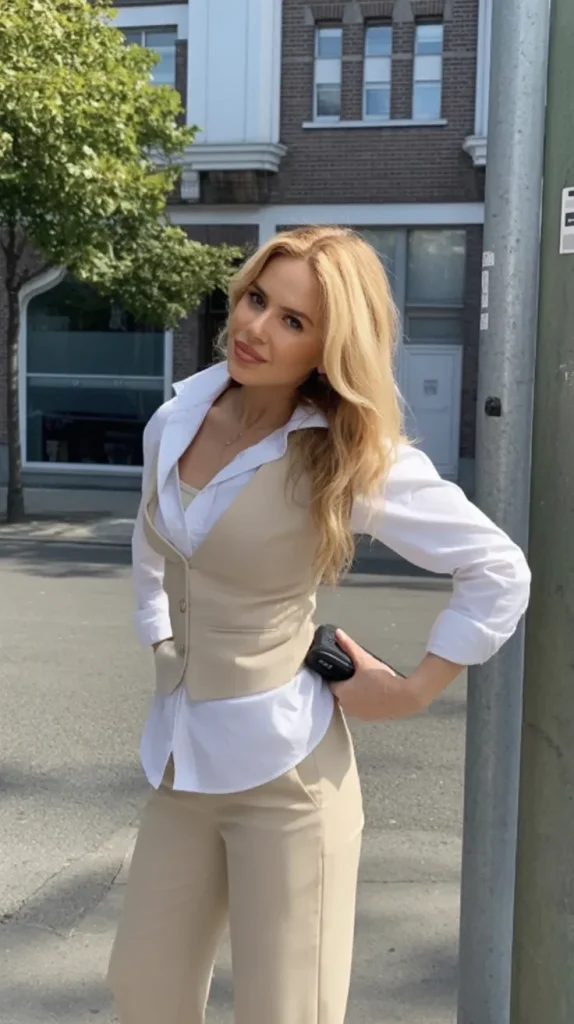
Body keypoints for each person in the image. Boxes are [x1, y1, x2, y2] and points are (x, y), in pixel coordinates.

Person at [108, 226, 531, 1024]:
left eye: (293, 320)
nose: (255, 328)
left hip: (288, 777)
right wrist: (159, 633)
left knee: (287, 1011)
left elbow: (497, 568)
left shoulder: (348, 456)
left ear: (330, 348)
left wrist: (413, 690)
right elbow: (154, 539)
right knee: (142, 990)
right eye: (256, 299)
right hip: (180, 762)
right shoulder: (179, 416)